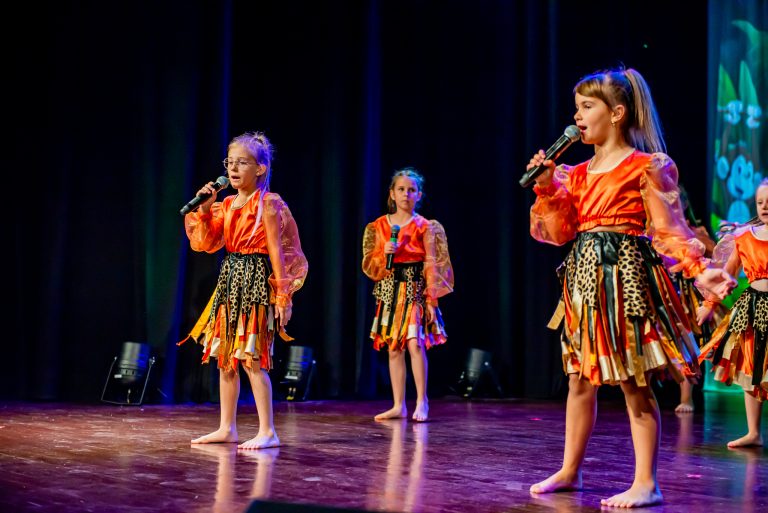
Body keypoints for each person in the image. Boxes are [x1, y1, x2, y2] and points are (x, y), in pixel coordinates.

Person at [525, 67, 736, 508]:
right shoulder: (575, 173)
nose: (577, 117)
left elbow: (669, 231)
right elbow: (559, 232)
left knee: (633, 379)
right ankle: (570, 470)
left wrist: (699, 269)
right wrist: (546, 189)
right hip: (584, 281)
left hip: (626, 281)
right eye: (576, 108)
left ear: (617, 113)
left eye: (587, 107)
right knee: (579, 378)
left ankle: (647, 481)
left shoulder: (646, 167)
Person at [179, 131, 308, 450]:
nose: (233, 169)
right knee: (226, 357)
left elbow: (278, 252)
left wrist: (282, 295)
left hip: (255, 282)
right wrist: (206, 209)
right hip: (230, 282)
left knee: (252, 358)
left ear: (260, 168)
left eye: (242, 163)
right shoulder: (226, 204)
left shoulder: (269, 203)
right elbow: (205, 242)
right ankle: (227, 427)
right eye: (230, 162)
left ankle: (268, 430)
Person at [362, 167, 454, 422]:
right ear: (392, 193)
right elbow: (370, 264)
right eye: (401, 189)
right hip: (391, 291)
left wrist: (432, 298)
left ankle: (422, 400)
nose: (406, 194)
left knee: (415, 343)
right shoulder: (379, 226)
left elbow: (433, 263)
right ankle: (398, 404)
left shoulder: (426, 227)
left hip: (414, 289)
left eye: (411, 190)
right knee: (393, 347)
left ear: (419, 194)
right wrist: (384, 252)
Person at [697, 178, 768, 448]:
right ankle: (754, 432)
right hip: (752, 308)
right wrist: (708, 305)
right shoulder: (745, 239)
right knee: (752, 369)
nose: (764, 207)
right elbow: (725, 276)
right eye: (760, 202)